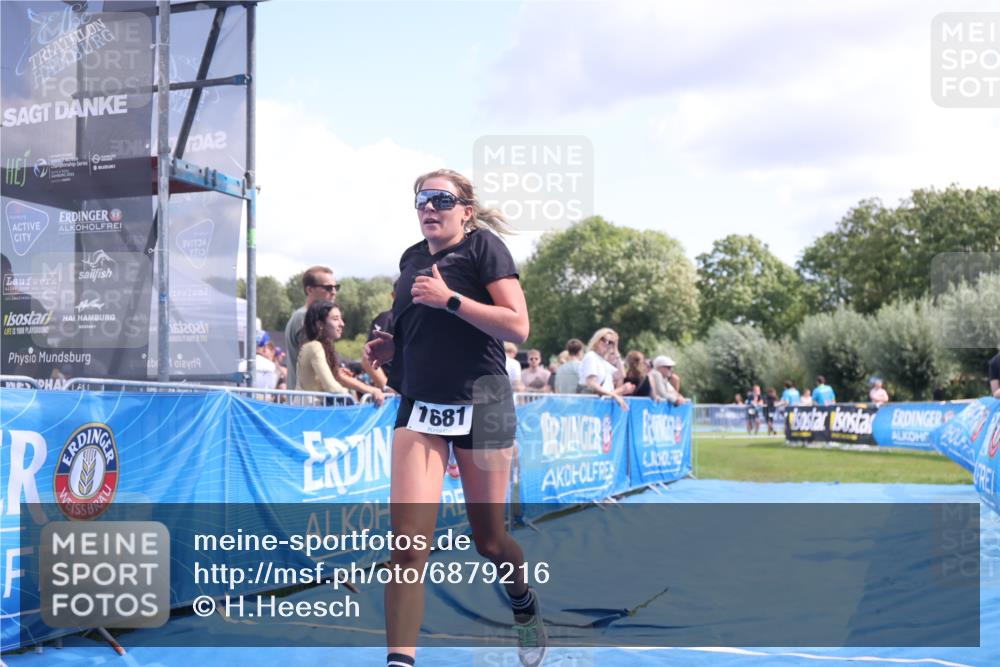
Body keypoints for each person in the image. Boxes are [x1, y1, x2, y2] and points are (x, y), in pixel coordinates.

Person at [363, 168, 545, 667]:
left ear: (466, 210)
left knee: (488, 540)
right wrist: (391, 345)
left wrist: (452, 299)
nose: (429, 207)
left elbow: (518, 327)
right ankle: (401, 661)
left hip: (483, 402)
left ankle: (524, 605)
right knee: (407, 548)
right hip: (420, 405)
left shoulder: (484, 249)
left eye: (441, 199)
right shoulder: (411, 259)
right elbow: (426, 330)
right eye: (421, 199)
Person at [298, 301, 384, 405]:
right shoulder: (315, 346)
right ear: (320, 324)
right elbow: (331, 386)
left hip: (311, 411)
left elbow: (338, 377)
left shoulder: (316, 346)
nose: (342, 324)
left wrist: (372, 390)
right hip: (311, 413)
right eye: (335, 319)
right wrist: (354, 403)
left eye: (341, 319)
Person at [285, 265, 339, 391]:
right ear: (309, 290)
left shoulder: (307, 316)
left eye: (336, 287)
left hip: (308, 401)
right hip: (305, 402)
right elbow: (314, 361)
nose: (334, 292)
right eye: (328, 287)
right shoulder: (303, 317)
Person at [579, 328, 631, 410]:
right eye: (604, 340)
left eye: (610, 342)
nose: (607, 343)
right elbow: (592, 384)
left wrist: (615, 348)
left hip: (597, 406)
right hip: (589, 405)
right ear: (597, 340)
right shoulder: (591, 356)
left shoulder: (602, 360)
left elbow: (621, 375)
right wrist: (614, 395)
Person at [363, 279, 397, 389]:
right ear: (393, 295)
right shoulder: (386, 318)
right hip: (393, 395)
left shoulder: (414, 321)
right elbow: (367, 356)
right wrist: (386, 387)